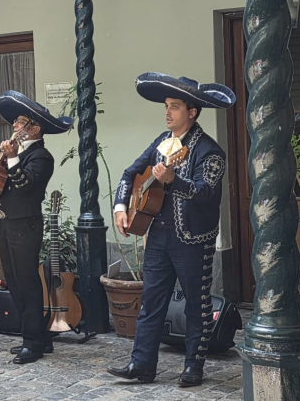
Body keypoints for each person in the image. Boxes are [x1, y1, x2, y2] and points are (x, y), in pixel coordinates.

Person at [106, 73, 235, 387]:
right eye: (166, 106)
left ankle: (193, 367)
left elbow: (207, 194)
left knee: (197, 304)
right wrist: (122, 207)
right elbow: (130, 173)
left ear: (192, 112)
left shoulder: (210, 151)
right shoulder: (161, 143)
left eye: (174, 106)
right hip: (159, 235)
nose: (167, 112)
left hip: (193, 239)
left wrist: (173, 182)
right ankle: (142, 364)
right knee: (151, 301)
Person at [0, 90, 73, 364]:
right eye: (16, 122)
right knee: (15, 283)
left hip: (25, 226)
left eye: (21, 122)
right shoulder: (17, 151)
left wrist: (11, 159)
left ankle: (33, 343)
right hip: (7, 223)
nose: (15, 126)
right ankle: (38, 338)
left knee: (27, 284)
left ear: (34, 128)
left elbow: (24, 186)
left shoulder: (42, 157)